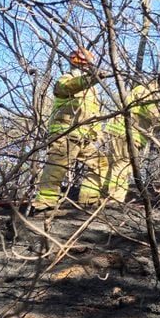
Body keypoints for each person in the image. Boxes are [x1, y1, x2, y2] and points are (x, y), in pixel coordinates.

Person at [31, 48, 109, 213]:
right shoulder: (66, 79)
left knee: (100, 164)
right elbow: (67, 87)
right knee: (56, 168)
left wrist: (98, 134)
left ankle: (88, 202)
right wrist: (91, 79)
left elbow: (92, 113)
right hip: (65, 134)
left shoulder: (92, 90)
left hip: (84, 137)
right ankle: (44, 203)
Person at [104, 72, 160, 202]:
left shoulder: (142, 90)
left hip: (119, 131)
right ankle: (115, 199)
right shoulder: (147, 92)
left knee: (111, 165)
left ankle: (102, 194)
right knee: (123, 167)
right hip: (128, 134)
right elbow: (154, 114)